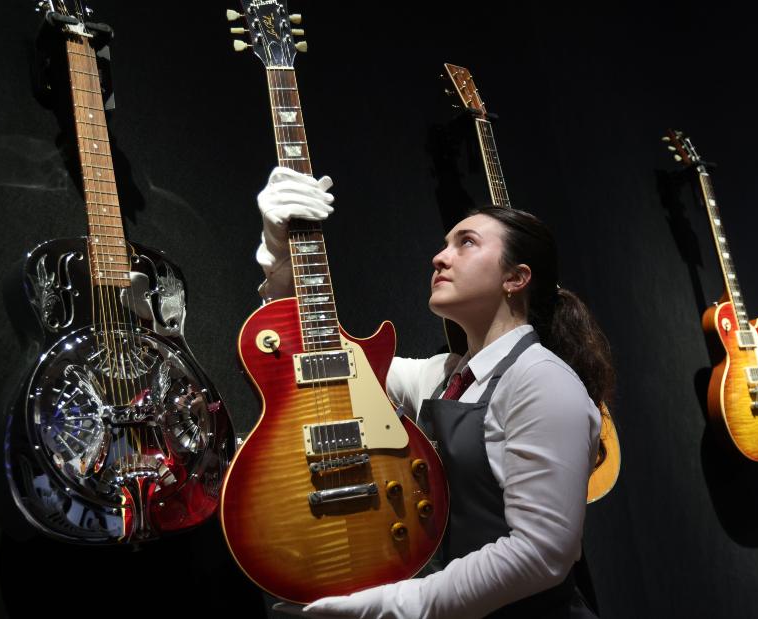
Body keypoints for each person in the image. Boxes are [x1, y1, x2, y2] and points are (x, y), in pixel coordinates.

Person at [256, 167, 614, 618]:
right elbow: (319, 360)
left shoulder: (543, 381)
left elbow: (541, 555)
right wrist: (279, 260)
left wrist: (393, 607)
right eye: (444, 244)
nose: (439, 258)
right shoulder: (443, 376)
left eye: (465, 243)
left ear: (517, 278)